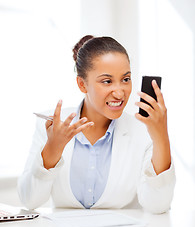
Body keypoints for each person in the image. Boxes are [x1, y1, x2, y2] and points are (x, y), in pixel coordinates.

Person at [18, 35, 175, 213]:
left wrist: (161, 136)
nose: (119, 93)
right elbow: (29, 200)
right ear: (82, 84)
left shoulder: (144, 132)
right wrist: (51, 151)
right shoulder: (52, 125)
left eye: (125, 79)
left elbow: (158, 205)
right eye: (107, 81)